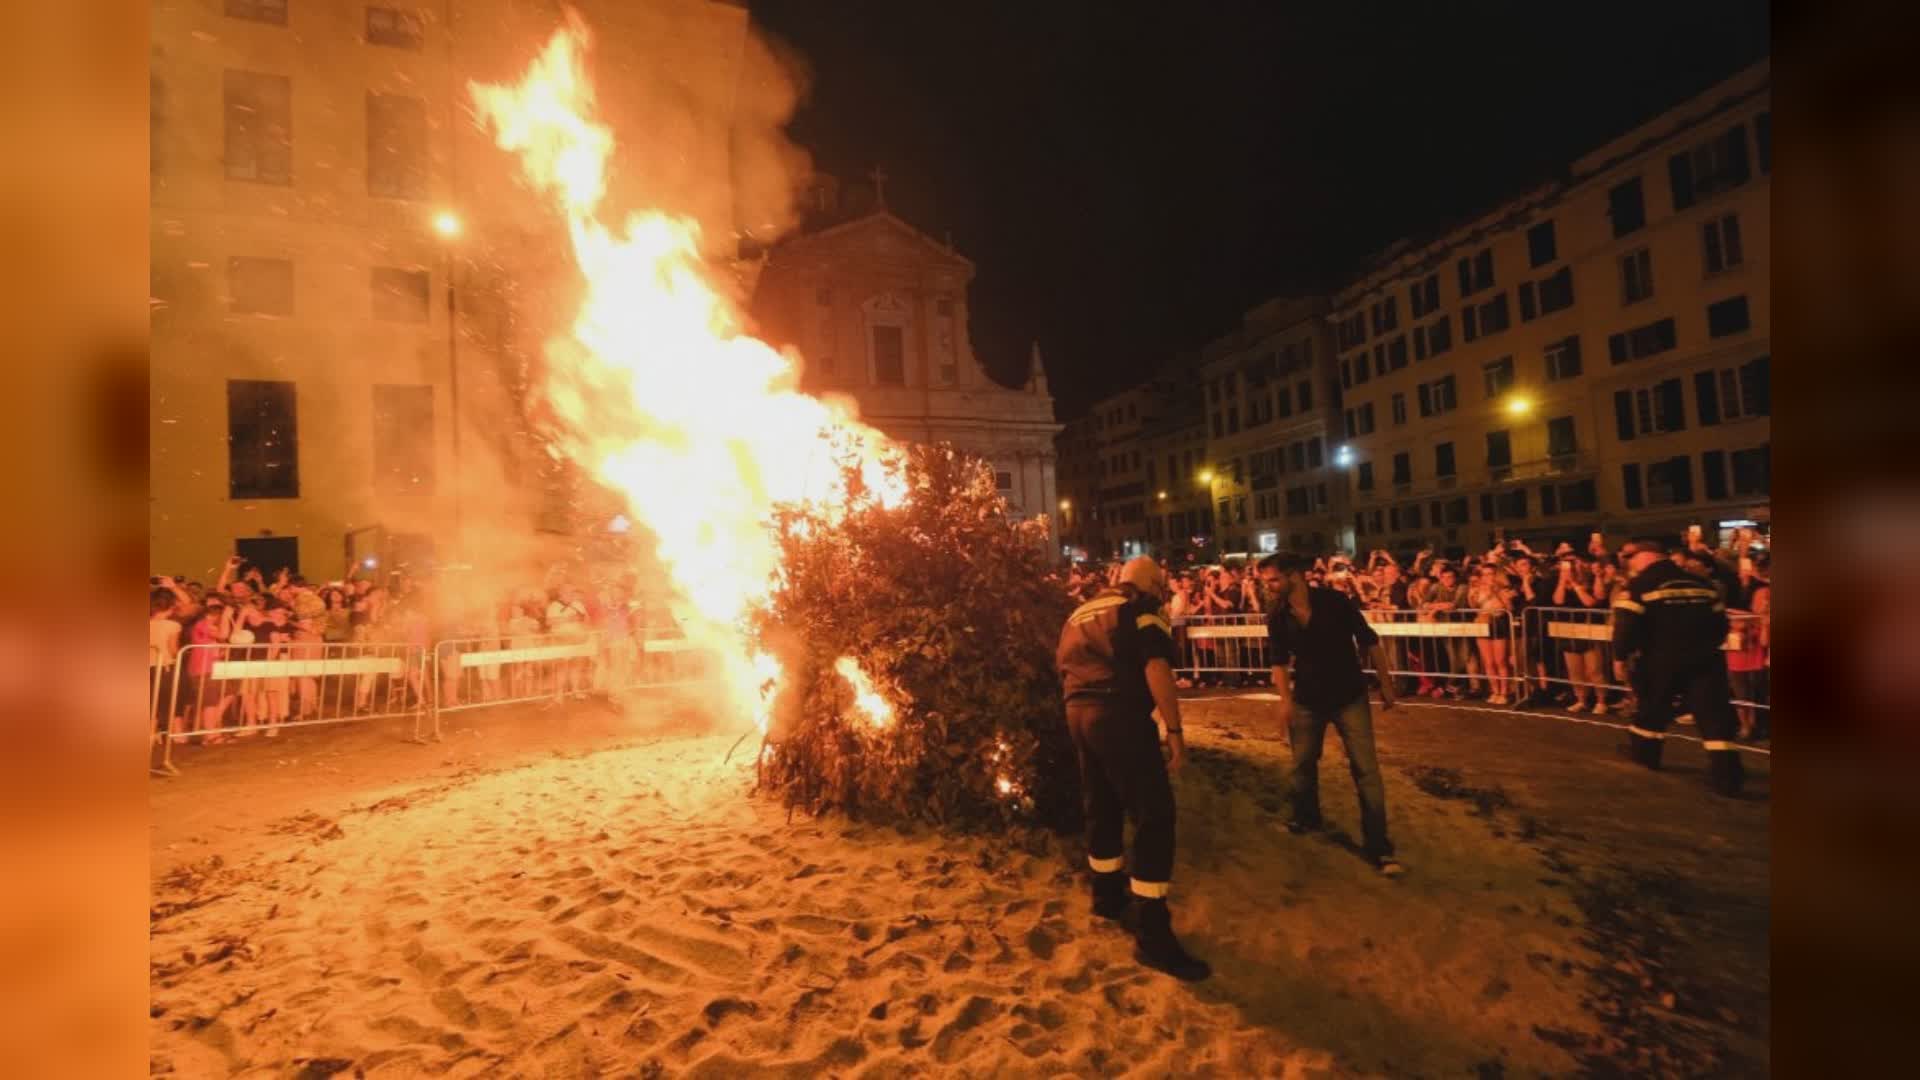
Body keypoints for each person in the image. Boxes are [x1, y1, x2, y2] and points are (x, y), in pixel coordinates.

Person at [1055, 555, 1209, 982]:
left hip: (1077, 713)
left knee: (1101, 806)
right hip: (1118, 712)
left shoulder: (1079, 612)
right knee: (1154, 815)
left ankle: (1106, 896)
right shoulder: (1141, 608)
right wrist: (1174, 732)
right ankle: (1153, 935)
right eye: (1161, 588)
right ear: (1150, 585)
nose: (1163, 596)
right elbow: (1157, 667)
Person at [1258, 552, 1404, 877]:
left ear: (1294, 575)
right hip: (1307, 699)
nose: (1268, 587)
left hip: (1348, 695)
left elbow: (1370, 642)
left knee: (1366, 770)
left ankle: (1379, 846)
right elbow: (1278, 662)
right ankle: (1306, 817)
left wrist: (1386, 684)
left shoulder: (1336, 602)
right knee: (1302, 765)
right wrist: (1284, 700)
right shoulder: (1277, 616)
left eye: (1273, 579)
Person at [1611, 537, 1746, 797]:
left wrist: (1621, 657)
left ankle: (1646, 757)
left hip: (1660, 660)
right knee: (1714, 718)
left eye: (1630, 557)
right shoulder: (1701, 584)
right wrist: (1704, 647)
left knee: (1652, 709)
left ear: (1646, 556)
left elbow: (1625, 627)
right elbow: (1720, 625)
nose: (1628, 563)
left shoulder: (1640, 585)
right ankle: (1727, 777)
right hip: (1706, 661)